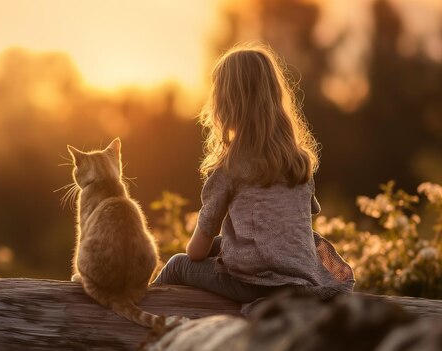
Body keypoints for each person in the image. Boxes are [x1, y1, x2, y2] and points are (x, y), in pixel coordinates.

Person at [152, 43, 355, 303]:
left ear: (226, 105)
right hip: (301, 280)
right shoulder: (299, 162)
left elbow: (196, 251)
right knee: (221, 244)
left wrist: (198, 248)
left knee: (178, 264)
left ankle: (133, 318)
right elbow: (285, 228)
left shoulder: (231, 166)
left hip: (256, 285)